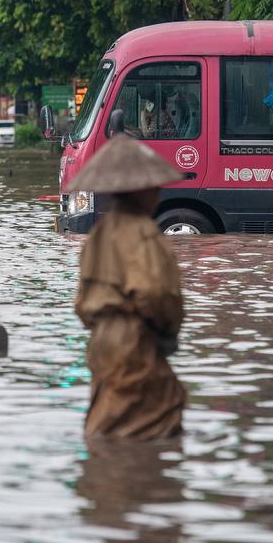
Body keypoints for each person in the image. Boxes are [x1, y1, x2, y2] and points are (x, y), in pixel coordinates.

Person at [67, 134, 187, 441]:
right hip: (134, 338)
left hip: (102, 341)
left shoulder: (99, 234)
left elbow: (81, 299)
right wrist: (168, 330)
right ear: (140, 191)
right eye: (154, 188)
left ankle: (107, 470)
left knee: (111, 410)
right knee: (152, 414)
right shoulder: (143, 233)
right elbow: (157, 295)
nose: (159, 194)